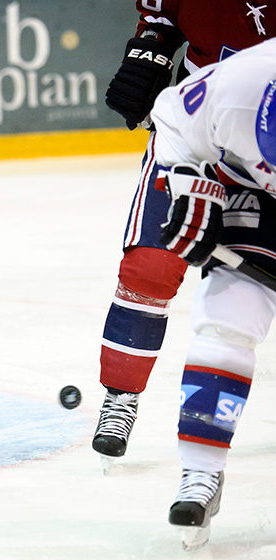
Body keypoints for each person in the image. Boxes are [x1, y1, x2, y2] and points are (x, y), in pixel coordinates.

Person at [94, 0, 276, 463]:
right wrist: (150, 47)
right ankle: (120, 398)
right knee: (150, 265)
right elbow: (161, 16)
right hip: (196, 120)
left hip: (268, 127)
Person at [148, 37, 276, 548]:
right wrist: (190, 187)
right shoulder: (240, 87)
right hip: (248, 183)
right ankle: (200, 471)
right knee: (227, 320)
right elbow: (172, 117)